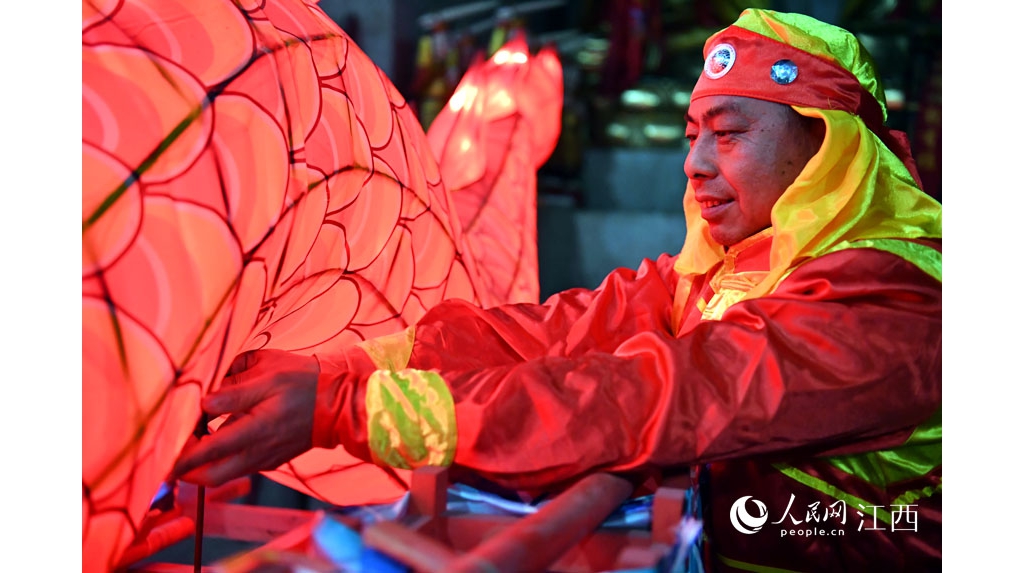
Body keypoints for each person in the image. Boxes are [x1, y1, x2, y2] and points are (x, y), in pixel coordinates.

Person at [172, 8, 942, 571]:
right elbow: (561, 331)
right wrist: (341, 367)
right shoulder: (740, 265)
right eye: (692, 135)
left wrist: (350, 409)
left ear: (826, 145)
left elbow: (656, 395)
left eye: (730, 133)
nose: (695, 164)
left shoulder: (889, 297)